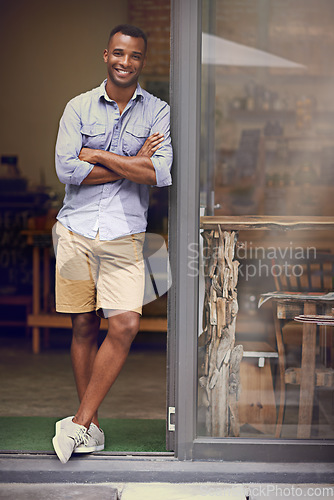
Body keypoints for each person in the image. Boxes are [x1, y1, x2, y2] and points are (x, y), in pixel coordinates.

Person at [52, 24, 172, 464]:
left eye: (135, 56)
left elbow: (158, 173)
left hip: (125, 232)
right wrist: (133, 159)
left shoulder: (158, 111)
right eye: (119, 53)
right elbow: (67, 171)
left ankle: (79, 424)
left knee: (124, 324)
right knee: (83, 326)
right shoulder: (77, 107)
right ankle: (94, 425)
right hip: (75, 230)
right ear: (106, 55)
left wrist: (98, 154)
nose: (126, 62)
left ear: (143, 60)